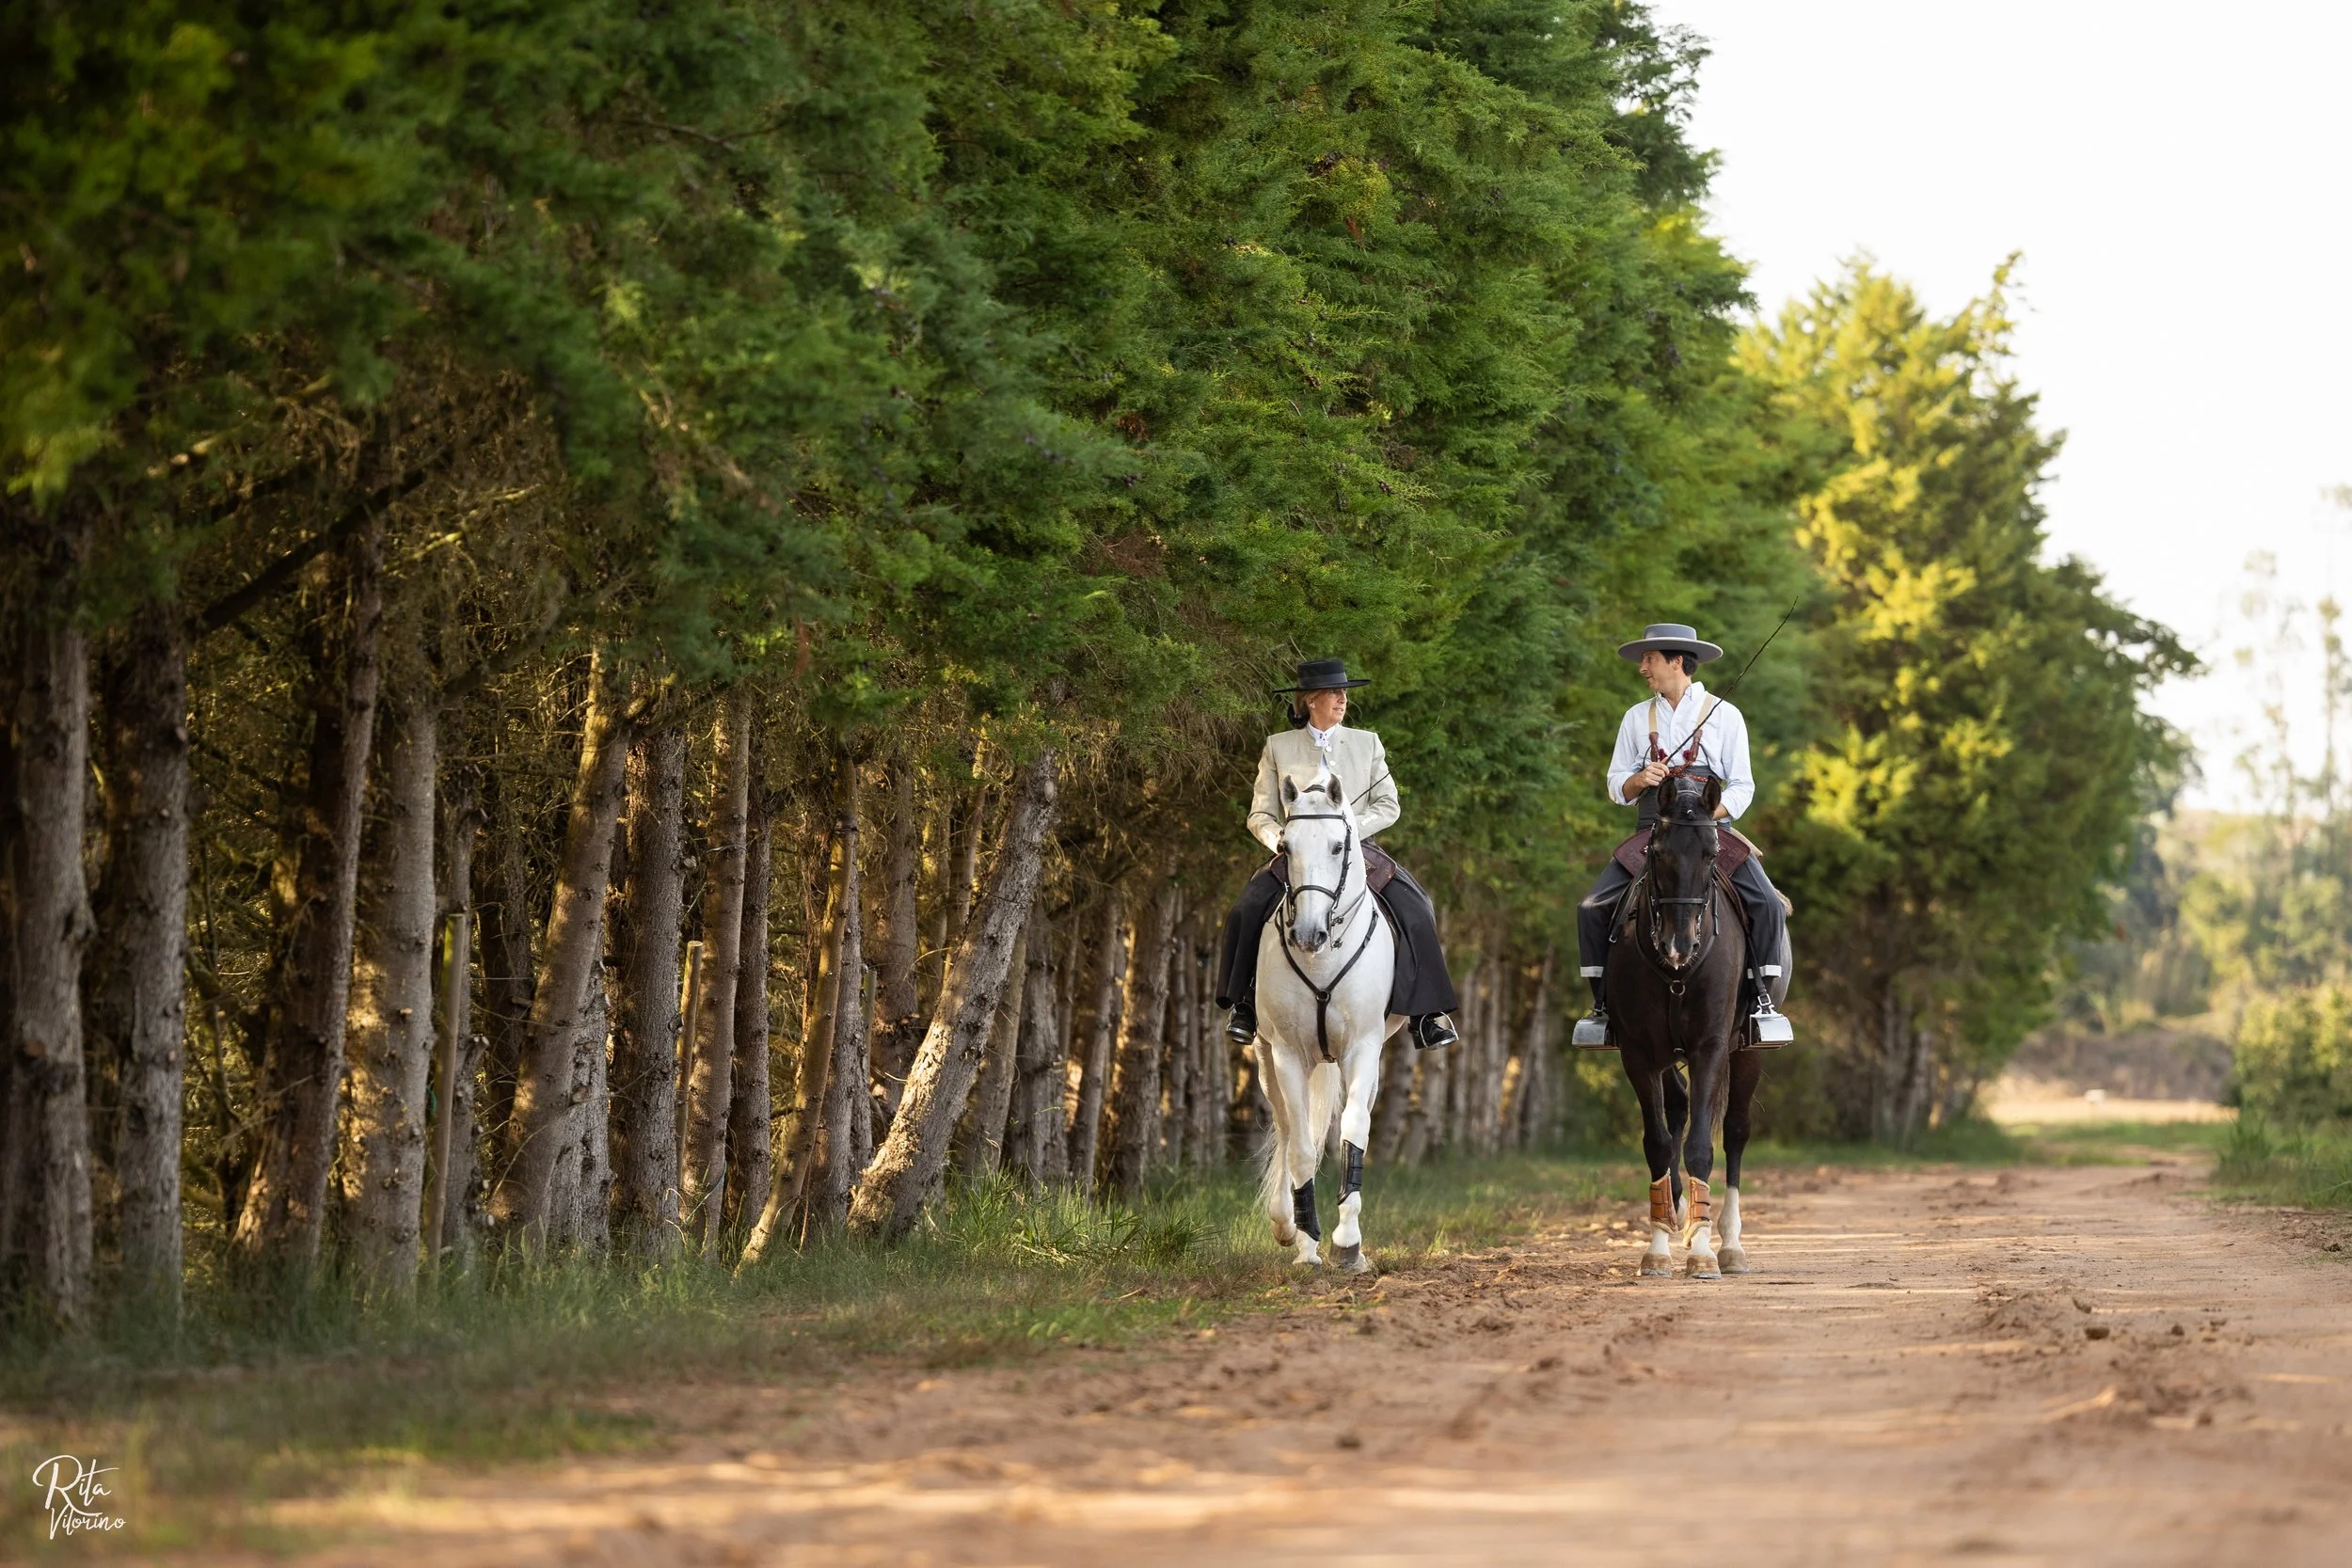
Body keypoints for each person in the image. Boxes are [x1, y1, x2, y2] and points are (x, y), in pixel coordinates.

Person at [1215, 657, 1460, 1052]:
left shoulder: (1368, 742)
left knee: (1417, 908)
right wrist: (1281, 837)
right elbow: (1260, 813)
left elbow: (1388, 805)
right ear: (1311, 700)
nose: (1342, 698)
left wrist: (1348, 831)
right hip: (1296, 851)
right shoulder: (1278, 746)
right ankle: (1244, 1005)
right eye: (1334, 692)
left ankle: (1427, 1015)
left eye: (1344, 692)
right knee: (1246, 908)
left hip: (1359, 850)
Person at [1574, 623, 1790, 1042]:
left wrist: (1712, 814)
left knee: (1768, 904)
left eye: (1650, 659)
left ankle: (1764, 1005)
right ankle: (1601, 1007)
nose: (1643, 668)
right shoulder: (1636, 717)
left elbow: (1743, 785)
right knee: (1590, 908)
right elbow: (1616, 786)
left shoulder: (1725, 714)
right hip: (1654, 830)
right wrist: (1639, 780)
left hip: (1711, 830)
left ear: (1677, 661)